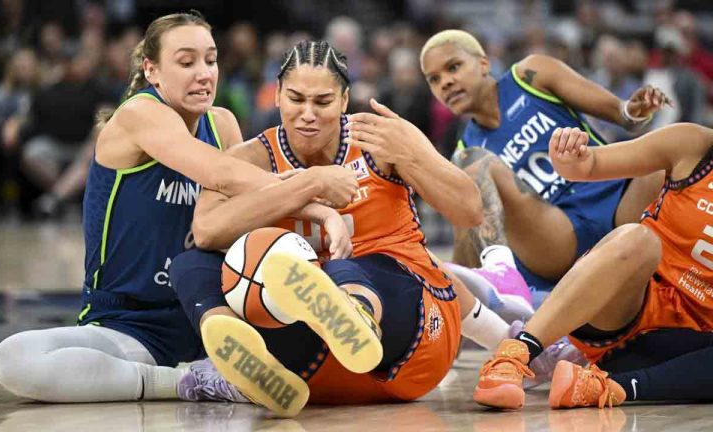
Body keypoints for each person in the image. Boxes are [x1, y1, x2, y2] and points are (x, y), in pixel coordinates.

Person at [169, 40, 571, 417]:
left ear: (345, 100)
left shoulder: (379, 140)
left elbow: (469, 211)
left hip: (408, 336)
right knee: (191, 264)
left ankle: (356, 312)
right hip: (315, 372)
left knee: (354, 264)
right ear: (276, 95)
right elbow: (206, 231)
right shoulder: (252, 157)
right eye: (296, 99)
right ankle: (237, 355)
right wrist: (309, 184)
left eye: (323, 101)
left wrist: (412, 154)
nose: (307, 113)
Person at [0, 12, 358, 403]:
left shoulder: (223, 124)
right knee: (14, 359)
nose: (204, 73)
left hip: (211, 313)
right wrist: (317, 198)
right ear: (151, 70)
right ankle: (186, 382)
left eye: (211, 60)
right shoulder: (138, 114)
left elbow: (251, 207)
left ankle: (334, 327)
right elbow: (221, 173)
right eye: (186, 62)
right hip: (131, 323)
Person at [419, 30, 670, 303]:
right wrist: (458, 297)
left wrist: (635, 109)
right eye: (434, 79)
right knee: (473, 162)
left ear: (483, 63)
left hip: (616, 199)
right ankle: (508, 282)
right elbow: (466, 245)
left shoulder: (531, 74)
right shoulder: (466, 155)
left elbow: (622, 115)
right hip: (558, 237)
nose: (445, 82)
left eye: (453, 67)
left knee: (672, 151)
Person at [475, 123, 713, 410]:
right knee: (640, 240)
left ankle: (602, 387)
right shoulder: (692, 144)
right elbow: (588, 165)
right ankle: (513, 356)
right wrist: (568, 156)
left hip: (684, 350)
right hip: (622, 306)